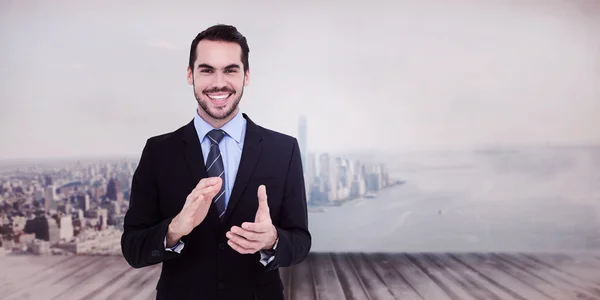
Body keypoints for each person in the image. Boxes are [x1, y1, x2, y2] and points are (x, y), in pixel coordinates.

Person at [121, 24, 312, 300]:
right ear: (190, 75)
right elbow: (132, 248)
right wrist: (175, 229)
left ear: (246, 76)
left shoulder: (283, 150)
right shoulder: (158, 152)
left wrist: (272, 240)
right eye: (207, 70)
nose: (219, 83)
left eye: (230, 70)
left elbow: (301, 241)